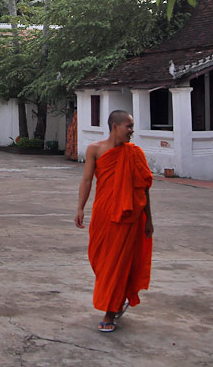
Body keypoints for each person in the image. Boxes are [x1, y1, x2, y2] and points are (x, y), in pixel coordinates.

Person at [74, 110, 153, 333]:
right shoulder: (95, 149)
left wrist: (149, 219)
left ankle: (110, 311)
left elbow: (143, 188)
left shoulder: (135, 153)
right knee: (101, 261)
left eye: (132, 126)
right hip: (103, 214)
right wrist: (80, 208)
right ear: (115, 127)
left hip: (129, 217)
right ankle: (116, 298)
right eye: (129, 126)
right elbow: (87, 180)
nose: (132, 131)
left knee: (118, 264)